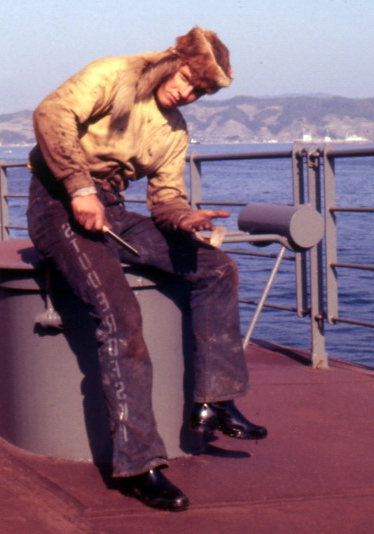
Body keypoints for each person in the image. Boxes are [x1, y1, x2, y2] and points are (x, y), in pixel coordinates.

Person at [26, 26, 267, 512]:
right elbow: (51, 114)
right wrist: (79, 188)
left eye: (200, 92)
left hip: (110, 209)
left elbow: (166, 197)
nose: (188, 94)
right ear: (173, 62)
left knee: (217, 269)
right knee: (121, 317)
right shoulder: (114, 75)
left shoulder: (173, 130)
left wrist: (184, 217)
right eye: (188, 81)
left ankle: (214, 400)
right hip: (57, 204)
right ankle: (138, 464)